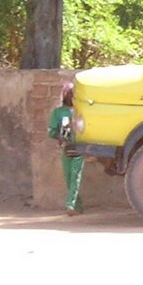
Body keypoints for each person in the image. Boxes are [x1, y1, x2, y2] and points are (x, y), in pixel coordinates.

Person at [48, 82, 83, 216]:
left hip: (80, 146)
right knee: (69, 177)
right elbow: (51, 131)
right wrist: (60, 137)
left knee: (76, 174)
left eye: (73, 93)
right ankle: (78, 206)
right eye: (69, 93)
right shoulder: (58, 112)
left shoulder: (81, 110)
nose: (71, 96)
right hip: (66, 147)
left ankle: (70, 204)